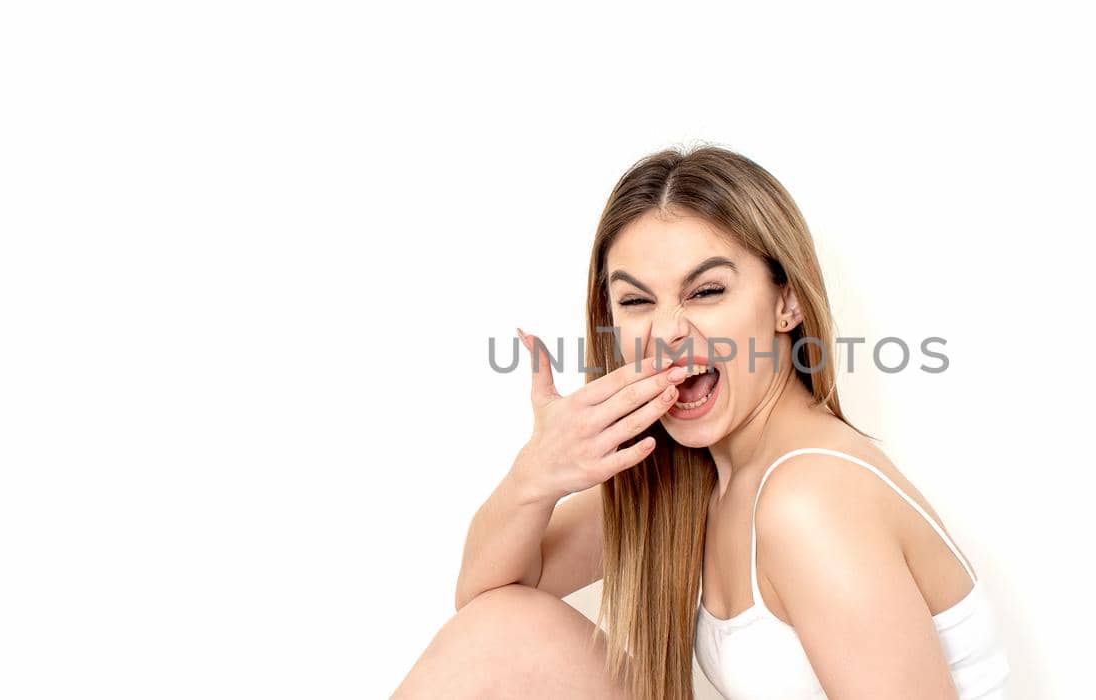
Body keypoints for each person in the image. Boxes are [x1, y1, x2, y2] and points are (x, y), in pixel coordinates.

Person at [392, 145, 1010, 699]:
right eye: (636, 301)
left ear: (786, 301)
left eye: (706, 292)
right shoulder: (686, 476)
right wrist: (535, 477)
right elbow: (486, 606)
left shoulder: (810, 500)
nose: (666, 332)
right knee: (505, 631)